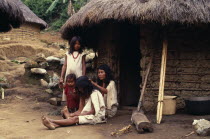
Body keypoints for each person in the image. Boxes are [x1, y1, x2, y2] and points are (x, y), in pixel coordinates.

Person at [42, 76, 106, 130]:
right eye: (78, 88)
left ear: (85, 86)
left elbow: (93, 112)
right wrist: (71, 115)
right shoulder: (82, 94)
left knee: (75, 119)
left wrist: (75, 116)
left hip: (96, 117)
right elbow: (80, 110)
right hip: (87, 114)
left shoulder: (95, 93)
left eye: (80, 88)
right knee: (73, 118)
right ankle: (54, 125)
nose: (79, 89)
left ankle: (51, 121)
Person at [60, 36, 86, 101]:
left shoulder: (82, 54)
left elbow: (83, 65)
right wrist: (61, 77)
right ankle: (69, 105)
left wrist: (83, 76)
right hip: (68, 74)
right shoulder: (67, 54)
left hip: (78, 75)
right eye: (75, 43)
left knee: (79, 89)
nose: (77, 45)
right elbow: (65, 65)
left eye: (79, 44)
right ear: (72, 44)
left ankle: (78, 106)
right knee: (68, 90)